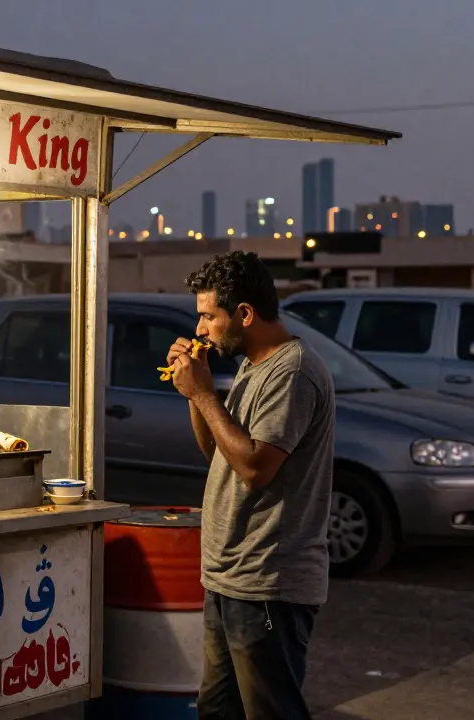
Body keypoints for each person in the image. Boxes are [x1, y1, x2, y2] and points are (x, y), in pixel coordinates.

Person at [166, 251, 335, 720]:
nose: (199, 329)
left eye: (208, 316)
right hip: (228, 576)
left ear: (244, 313)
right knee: (217, 710)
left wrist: (202, 393)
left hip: (267, 584)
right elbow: (222, 455)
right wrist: (193, 395)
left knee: (269, 711)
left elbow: (257, 468)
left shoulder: (293, 371)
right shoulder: (251, 364)